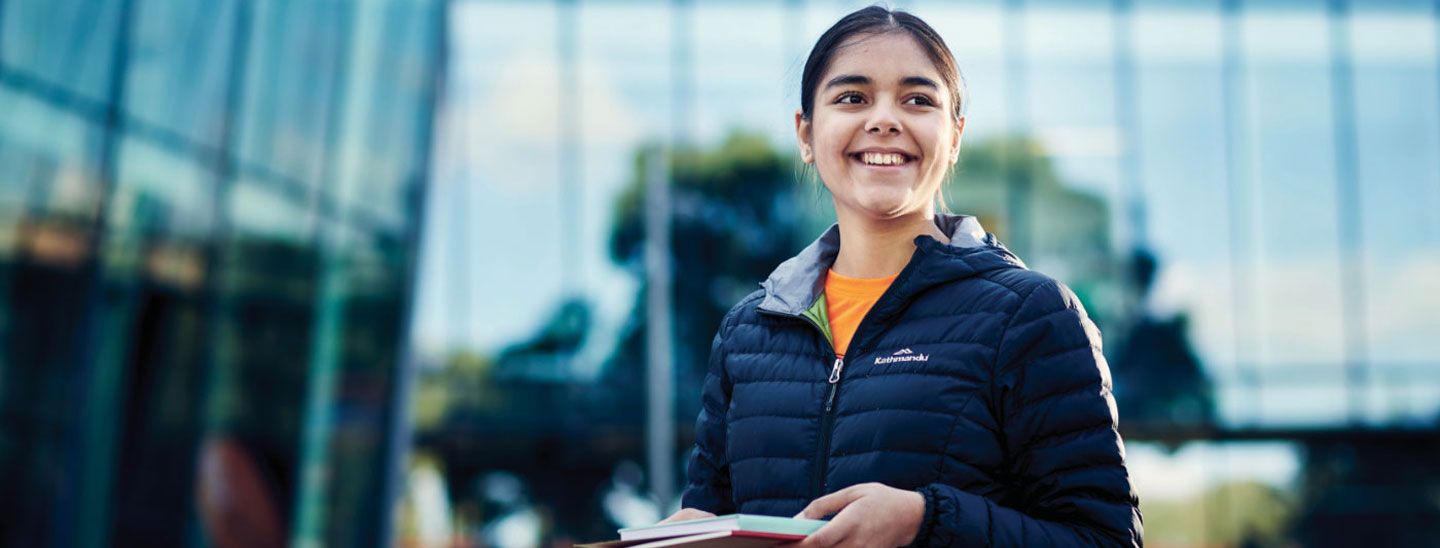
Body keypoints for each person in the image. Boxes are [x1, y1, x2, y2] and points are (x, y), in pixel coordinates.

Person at [659, 5, 1143, 547]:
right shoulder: (747, 334)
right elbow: (717, 517)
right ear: (805, 132)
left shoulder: (1030, 315)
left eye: (918, 99)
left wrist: (925, 521)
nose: (885, 119)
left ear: (954, 136)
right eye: (852, 98)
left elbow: (1105, 539)